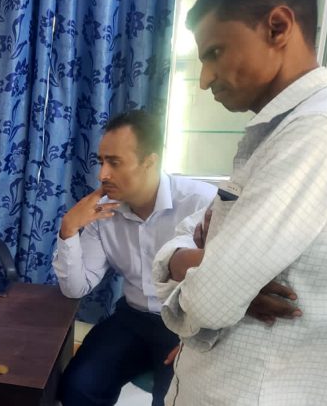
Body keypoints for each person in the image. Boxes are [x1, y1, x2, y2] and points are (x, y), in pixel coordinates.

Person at [152, 0, 327, 404]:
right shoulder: (275, 136)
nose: (204, 80)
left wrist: (199, 269)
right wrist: (185, 261)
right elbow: (186, 243)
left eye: (214, 53)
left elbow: (210, 300)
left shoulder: (320, 132)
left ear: (278, 27)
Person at [52, 110, 217, 406]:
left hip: (187, 324)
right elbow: (75, 288)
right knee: (78, 385)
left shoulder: (201, 204)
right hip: (133, 318)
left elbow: (230, 280)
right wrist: (69, 229)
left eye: (114, 163)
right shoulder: (103, 212)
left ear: (150, 162)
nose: (102, 175)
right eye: (101, 162)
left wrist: (198, 339)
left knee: (174, 399)